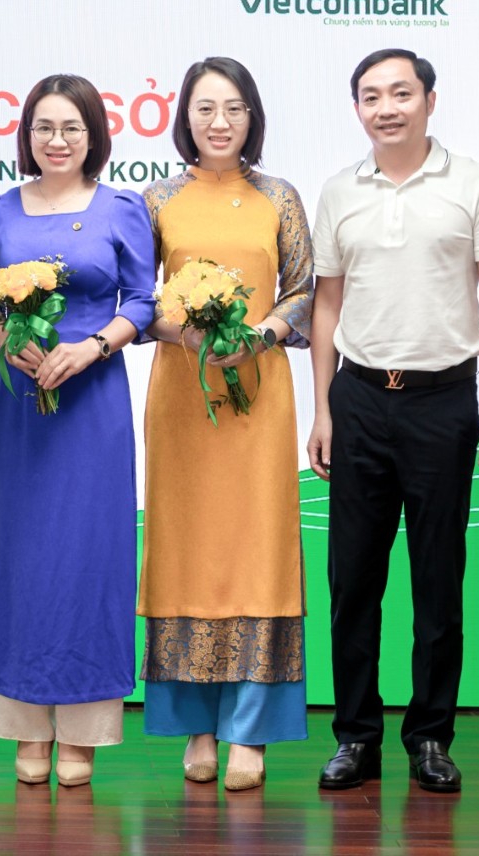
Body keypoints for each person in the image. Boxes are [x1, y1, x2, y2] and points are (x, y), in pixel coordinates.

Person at [309, 49, 479, 794]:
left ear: (430, 100)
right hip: (360, 400)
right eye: (371, 96)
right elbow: (326, 304)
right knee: (352, 583)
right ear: (357, 109)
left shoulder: (473, 184)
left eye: (401, 93)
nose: (387, 107)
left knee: (437, 581)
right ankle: (355, 737)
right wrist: (323, 407)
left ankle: (430, 737)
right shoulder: (340, 191)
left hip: (443, 404)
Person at [0, 74, 156, 788]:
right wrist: (4, 339)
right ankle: (23, 726)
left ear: (94, 134)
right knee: (19, 557)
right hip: (21, 402)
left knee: (88, 556)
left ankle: (83, 731)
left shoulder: (121, 208)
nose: (57, 140)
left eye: (72, 127)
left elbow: (142, 300)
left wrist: (93, 347)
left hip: (93, 402)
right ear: (26, 136)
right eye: (43, 126)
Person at [137, 57, 315, 792]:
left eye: (235, 108)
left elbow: (304, 290)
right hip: (183, 399)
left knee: (256, 551)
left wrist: (261, 334)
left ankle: (251, 730)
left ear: (252, 117)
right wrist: (188, 333)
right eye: (206, 108)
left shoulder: (279, 197)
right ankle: (198, 728)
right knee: (187, 551)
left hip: (259, 397)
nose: (220, 122)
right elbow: (134, 301)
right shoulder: (156, 200)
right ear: (184, 116)